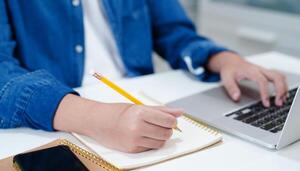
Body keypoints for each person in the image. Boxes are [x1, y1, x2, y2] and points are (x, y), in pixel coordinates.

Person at [0, 0, 287, 153]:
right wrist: (96, 119)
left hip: (142, 109)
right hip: (59, 119)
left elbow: (174, 32)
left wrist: (224, 59)